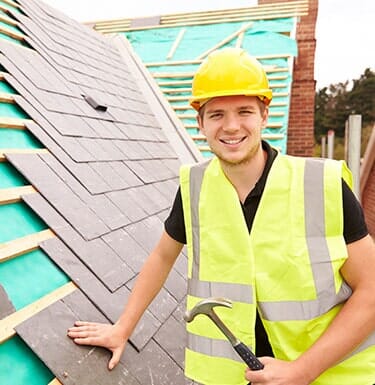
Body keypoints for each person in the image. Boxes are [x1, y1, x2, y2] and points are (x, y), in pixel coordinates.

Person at [67, 47, 375, 385]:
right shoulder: (195, 187)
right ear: (200, 123)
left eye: (244, 111)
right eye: (216, 115)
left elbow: (372, 290)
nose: (231, 127)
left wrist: (303, 370)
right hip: (235, 376)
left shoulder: (321, 185)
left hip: (326, 375)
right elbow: (161, 257)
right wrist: (122, 328)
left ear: (264, 116)